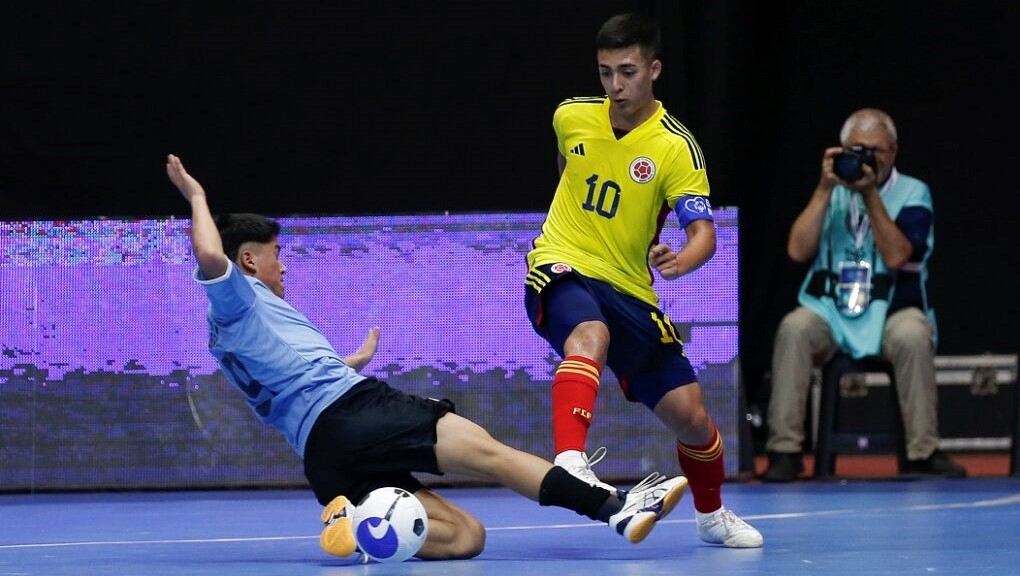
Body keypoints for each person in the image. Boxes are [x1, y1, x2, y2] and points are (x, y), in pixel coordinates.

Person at [165, 154, 688, 561]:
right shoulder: (237, 297)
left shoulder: (235, 335)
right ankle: (616, 509)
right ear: (249, 259)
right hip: (357, 413)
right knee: (493, 455)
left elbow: (293, 384)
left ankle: (360, 523)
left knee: (466, 537)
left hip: (324, 457)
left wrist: (350, 361)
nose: (283, 267)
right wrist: (197, 196)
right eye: (277, 255)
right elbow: (210, 255)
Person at [523, 13, 763, 548]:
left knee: (693, 417)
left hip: (631, 288)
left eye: (627, 72)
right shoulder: (571, 115)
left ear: (653, 70)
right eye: (605, 72)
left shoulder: (676, 147)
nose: (615, 85)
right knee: (590, 335)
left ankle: (712, 516)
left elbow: (703, 233)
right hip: (561, 262)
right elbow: (567, 168)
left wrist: (682, 260)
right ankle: (571, 461)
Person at [762, 108, 967, 481]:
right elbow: (797, 250)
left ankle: (923, 452)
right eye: (858, 150)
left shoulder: (913, 192)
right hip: (831, 310)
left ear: (894, 151)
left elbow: (897, 256)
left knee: (913, 334)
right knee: (794, 328)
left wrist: (870, 194)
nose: (868, 158)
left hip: (891, 310)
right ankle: (784, 450)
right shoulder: (831, 190)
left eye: (877, 150)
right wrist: (823, 189)